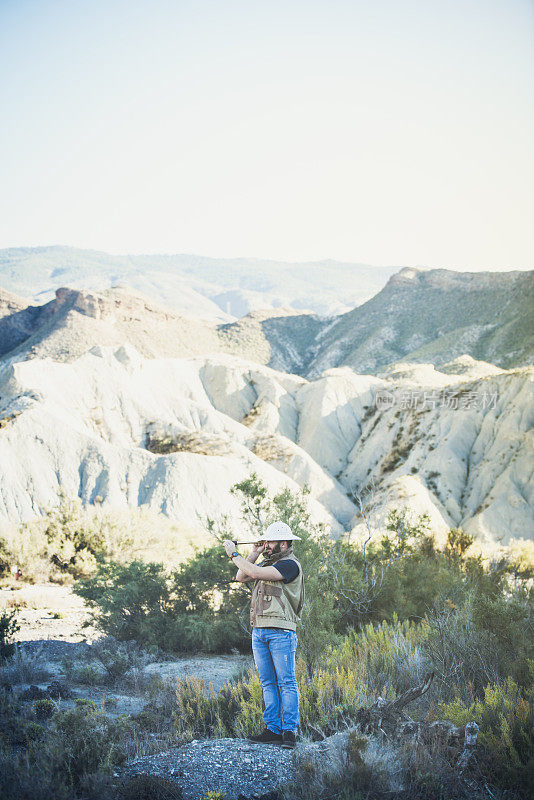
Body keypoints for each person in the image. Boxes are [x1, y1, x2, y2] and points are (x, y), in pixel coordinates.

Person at [223, 521, 305, 749]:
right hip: (259, 630)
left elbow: (255, 572)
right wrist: (254, 553)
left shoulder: (290, 565)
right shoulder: (270, 561)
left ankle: (289, 732)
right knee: (268, 682)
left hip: (281, 632)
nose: (267, 545)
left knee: (286, 682)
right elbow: (242, 576)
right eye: (266, 541)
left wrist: (233, 554)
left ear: (284, 543)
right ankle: (272, 730)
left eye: (270, 542)